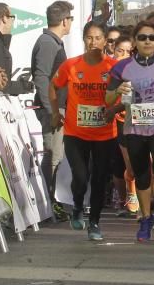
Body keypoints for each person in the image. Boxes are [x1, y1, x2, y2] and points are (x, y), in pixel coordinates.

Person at [106, 22, 154, 242]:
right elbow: (108, 98)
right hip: (135, 127)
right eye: (142, 38)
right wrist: (118, 91)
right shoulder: (122, 68)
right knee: (141, 175)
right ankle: (146, 219)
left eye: (152, 37)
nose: (148, 41)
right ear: (135, 41)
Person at [48, 21, 116, 241]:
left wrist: (114, 109)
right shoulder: (71, 65)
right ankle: (78, 205)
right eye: (89, 37)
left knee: (99, 179)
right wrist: (55, 112)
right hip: (75, 132)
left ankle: (94, 223)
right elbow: (53, 86)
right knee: (81, 176)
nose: (93, 42)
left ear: (105, 41)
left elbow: (125, 95)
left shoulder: (114, 67)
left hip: (105, 133)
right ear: (83, 39)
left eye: (98, 38)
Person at [31, 0, 74, 222]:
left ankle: (51, 202)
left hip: (57, 107)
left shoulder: (52, 42)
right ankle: (51, 203)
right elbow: (40, 77)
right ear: (64, 21)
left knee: (54, 155)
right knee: (54, 156)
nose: (71, 24)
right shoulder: (48, 43)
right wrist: (52, 110)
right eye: (71, 19)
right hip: (53, 109)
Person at [0, 3, 35, 97]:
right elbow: (2, 85)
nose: (13, 21)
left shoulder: (0, 43)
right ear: (4, 18)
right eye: (12, 17)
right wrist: (27, 86)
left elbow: (3, 84)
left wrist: (27, 86)